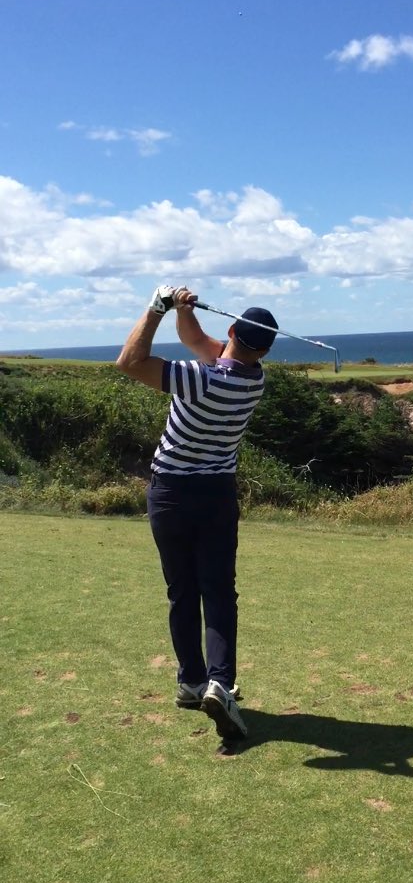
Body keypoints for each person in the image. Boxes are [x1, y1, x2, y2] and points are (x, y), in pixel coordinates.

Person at [116, 285, 278, 742]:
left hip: (169, 493)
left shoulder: (198, 377)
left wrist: (156, 309)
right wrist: (184, 311)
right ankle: (217, 683)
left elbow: (129, 362)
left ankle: (194, 680)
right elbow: (200, 341)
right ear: (263, 349)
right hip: (217, 495)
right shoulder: (254, 378)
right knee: (219, 592)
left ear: (230, 331)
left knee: (182, 591)